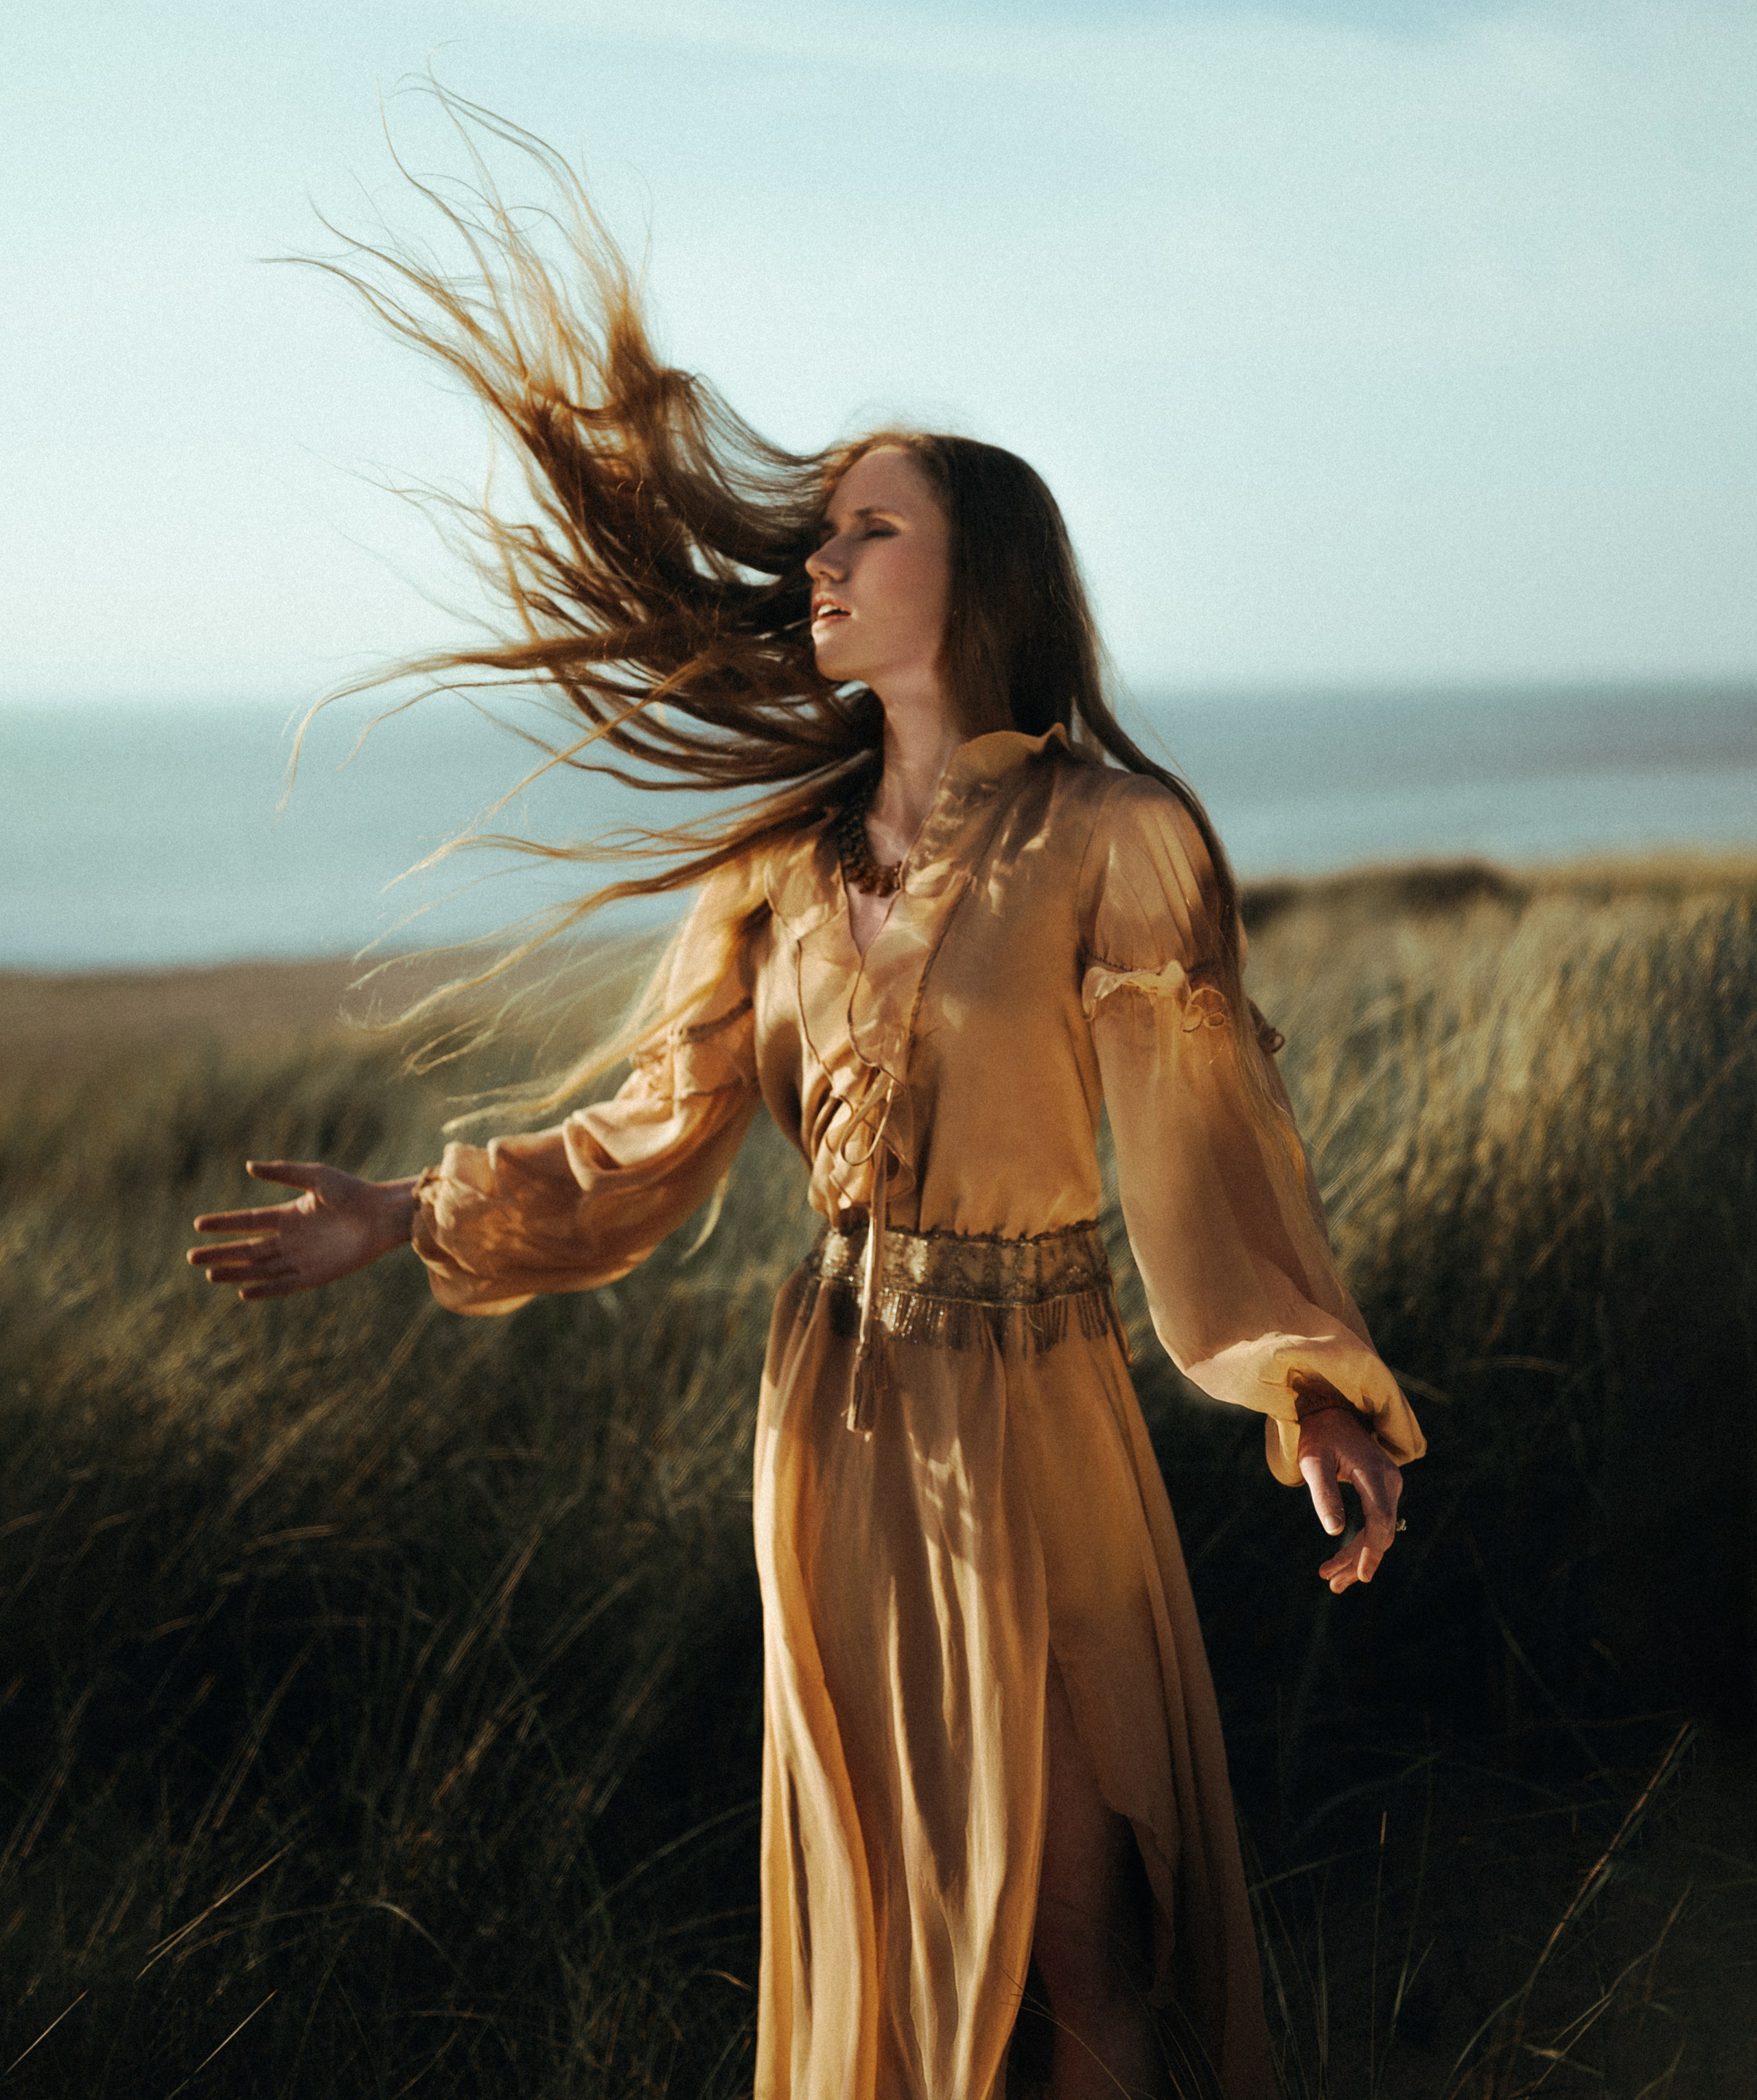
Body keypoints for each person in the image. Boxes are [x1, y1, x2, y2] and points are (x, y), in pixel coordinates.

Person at [189, 117, 1423, 2100]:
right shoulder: (770, 869)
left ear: (980, 573)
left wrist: (1314, 1389)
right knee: (912, 1922)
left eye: (870, 533)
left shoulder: (1116, 835)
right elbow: (647, 1143)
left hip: (1047, 1409)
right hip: (839, 1425)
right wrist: (413, 1213)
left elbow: (1207, 1150)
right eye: (825, 536)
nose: (822, 565)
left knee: (1096, 1924)